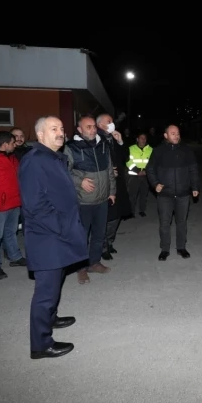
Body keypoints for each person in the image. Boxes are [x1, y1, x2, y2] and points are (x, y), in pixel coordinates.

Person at [19, 116, 88, 359]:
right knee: (45, 292)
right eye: (53, 129)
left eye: (61, 128)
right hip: (47, 235)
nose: (60, 133)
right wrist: (61, 226)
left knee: (56, 281)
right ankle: (41, 345)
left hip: (57, 233)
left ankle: (51, 318)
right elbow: (35, 205)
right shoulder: (34, 161)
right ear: (40, 135)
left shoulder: (53, 157)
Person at [63, 116, 115, 285]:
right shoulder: (71, 147)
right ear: (80, 130)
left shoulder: (103, 144)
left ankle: (94, 262)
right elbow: (64, 171)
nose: (92, 130)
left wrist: (112, 191)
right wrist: (80, 181)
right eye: (88, 127)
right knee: (82, 236)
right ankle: (81, 268)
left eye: (93, 126)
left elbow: (109, 169)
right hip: (83, 201)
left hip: (102, 199)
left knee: (99, 234)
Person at [146, 124, 200, 261]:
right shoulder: (158, 151)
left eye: (178, 133)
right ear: (166, 135)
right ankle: (165, 249)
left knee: (181, 222)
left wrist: (195, 187)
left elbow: (193, 169)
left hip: (183, 193)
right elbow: (150, 169)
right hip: (165, 194)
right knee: (165, 223)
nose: (176, 136)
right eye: (173, 133)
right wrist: (155, 184)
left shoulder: (186, 150)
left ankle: (181, 247)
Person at [0, 131, 27, 281]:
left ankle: (15, 257)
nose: (15, 145)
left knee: (11, 232)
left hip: (14, 203)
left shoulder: (13, 159)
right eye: (13, 143)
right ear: (6, 144)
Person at [96, 113, 132, 259]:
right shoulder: (96, 139)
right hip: (105, 183)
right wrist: (109, 171)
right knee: (107, 215)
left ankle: (110, 242)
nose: (112, 123)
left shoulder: (114, 138)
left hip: (118, 182)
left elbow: (125, 158)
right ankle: (103, 246)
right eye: (109, 121)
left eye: (112, 120)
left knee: (117, 214)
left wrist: (121, 142)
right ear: (100, 125)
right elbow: (95, 162)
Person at [126, 132, 153, 217]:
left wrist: (145, 171)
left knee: (144, 194)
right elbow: (128, 162)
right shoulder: (131, 149)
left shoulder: (150, 149)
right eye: (141, 138)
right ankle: (131, 212)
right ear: (137, 139)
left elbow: (152, 163)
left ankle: (142, 210)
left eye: (145, 138)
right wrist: (137, 171)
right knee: (132, 195)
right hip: (134, 175)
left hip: (146, 176)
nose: (143, 140)